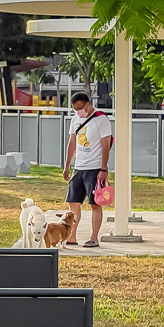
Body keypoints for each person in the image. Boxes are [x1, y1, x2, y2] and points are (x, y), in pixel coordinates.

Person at [62, 91, 112, 248]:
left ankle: (94, 237)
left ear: (88, 104)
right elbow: (72, 143)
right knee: (73, 202)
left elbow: (106, 145)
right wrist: (67, 165)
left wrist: (103, 169)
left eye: (80, 108)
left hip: (95, 168)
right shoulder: (75, 119)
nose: (78, 112)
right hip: (79, 167)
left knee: (95, 203)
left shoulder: (101, 119)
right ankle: (71, 236)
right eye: (75, 109)